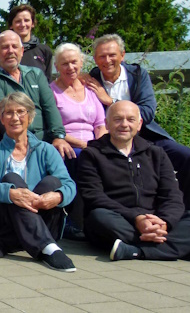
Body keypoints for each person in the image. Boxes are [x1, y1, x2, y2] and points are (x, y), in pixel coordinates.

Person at [83, 33, 190, 207]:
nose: (107, 60)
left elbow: (147, 113)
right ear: (95, 59)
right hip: (111, 140)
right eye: (102, 56)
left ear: (122, 55)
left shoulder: (138, 75)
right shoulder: (91, 79)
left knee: (186, 157)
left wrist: (110, 101)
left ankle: (183, 211)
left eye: (112, 55)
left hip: (146, 137)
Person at [77, 101, 190, 261]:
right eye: (118, 119)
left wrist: (165, 222)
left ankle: (134, 251)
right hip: (119, 219)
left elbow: (172, 196)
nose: (124, 124)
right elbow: (94, 196)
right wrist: (137, 218)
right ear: (107, 124)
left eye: (130, 119)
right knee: (98, 217)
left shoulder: (156, 154)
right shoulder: (92, 155)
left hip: (155, 218)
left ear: (139, 124)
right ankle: (174, 247)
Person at [0, 92, 76, 272]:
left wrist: (58, 196)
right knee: (11, 180)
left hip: (43, 214)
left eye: (21, 112)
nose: (15, 117)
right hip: (3, 219)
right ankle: (48, 248)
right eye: (8, 113)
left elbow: (69, 184)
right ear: (1, 118)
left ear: (30, 117)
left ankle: (4, 242)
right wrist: (11, 193)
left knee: (52, 183)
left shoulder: (46, 149)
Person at [0, 31, 73, 159]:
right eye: (5, 47)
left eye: (14, 46)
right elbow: (2, 115)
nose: (10, 51)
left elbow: (50, 107)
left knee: (68, 156)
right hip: (14, 143)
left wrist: (58, 137)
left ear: (22, 51)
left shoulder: (36, 74)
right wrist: (33, 145)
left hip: (45, 140)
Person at [49, 42, 107, 240]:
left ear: (81, 62)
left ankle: (101, 218)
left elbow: (100, 123)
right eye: (64, 63)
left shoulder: (90, 89)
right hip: (68, 145)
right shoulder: (52, 92)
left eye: (74, 62)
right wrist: (86, 146)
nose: (70, 67)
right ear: (57, 67)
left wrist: (101, 145)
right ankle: (72, 221)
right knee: (81, 158)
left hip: (94, 145)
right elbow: (54, 127)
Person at [8, 4, 53, 81]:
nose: (22, 24)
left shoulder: (44, 50)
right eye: (18, 21)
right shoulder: (6, 51)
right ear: (11, 25)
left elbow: (48, 81)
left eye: (26, 20)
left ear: (32, 24)